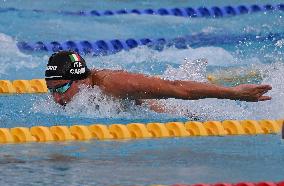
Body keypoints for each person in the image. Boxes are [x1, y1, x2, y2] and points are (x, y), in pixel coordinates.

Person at [45, 51, 272, 108]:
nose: (56, 98)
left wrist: (234, 93)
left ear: (81, 80)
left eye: (61, 88)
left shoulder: (113, 84)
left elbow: (177, 89)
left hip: (166, 109)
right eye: (51, 90)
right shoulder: (74, 96)